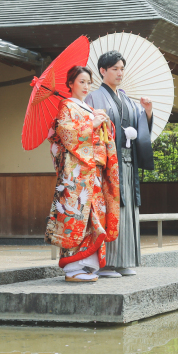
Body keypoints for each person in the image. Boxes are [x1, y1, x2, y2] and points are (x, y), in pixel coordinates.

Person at [45, 65, 120, 282]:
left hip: (93, 171)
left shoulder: (87, 108)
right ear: (70, 84)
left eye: (89, 82)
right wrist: (92, 124)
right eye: (81, 82)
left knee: (93, 217)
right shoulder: (66, 106)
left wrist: (105, 125)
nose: (86, 86)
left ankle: (86, 265)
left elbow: (104, 138)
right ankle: (72, 268)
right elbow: (66, 135)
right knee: (77, 215)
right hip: (76, 173)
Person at [86, 50, 154, 277]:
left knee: (128, 210)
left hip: (127, 163)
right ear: (103, 71)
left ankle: (124, 261)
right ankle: (106, 263)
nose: (119, 73)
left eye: (122, 68)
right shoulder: (94, 98)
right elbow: (88, 130)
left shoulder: (127, 100)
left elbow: (140, 129)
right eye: (114, 68)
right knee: (109, 210)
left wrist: (147, 112)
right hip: (106, 166)